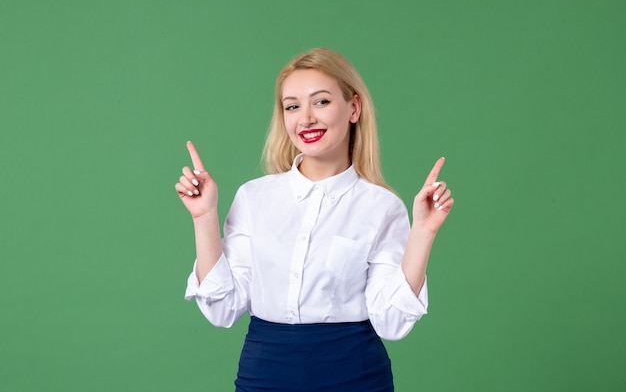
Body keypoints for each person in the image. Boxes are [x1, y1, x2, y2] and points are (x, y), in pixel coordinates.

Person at [175, 48, 454, 392]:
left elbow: (392, 323)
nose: (305, 118)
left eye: (320, 102)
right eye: (292, 106)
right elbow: (222, 310)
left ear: (354, 108)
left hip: (356, 378)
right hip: (264, 377)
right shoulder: (253, 198)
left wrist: (423, 233)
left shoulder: (382, 207)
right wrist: (203, 217)